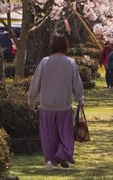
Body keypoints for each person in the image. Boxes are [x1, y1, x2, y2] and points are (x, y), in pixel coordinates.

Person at [28, 34, 84, 172]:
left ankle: (49, 160)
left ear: (52, 46)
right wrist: (80, 99)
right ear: (66, 46)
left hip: (46, 106)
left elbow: (36, 82)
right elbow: (76, 83)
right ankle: (62, 154)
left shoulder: (45, 62)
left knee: (48, 135)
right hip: (64, 106)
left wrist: (31, 99)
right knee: (66, 134)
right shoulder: (70, 62)